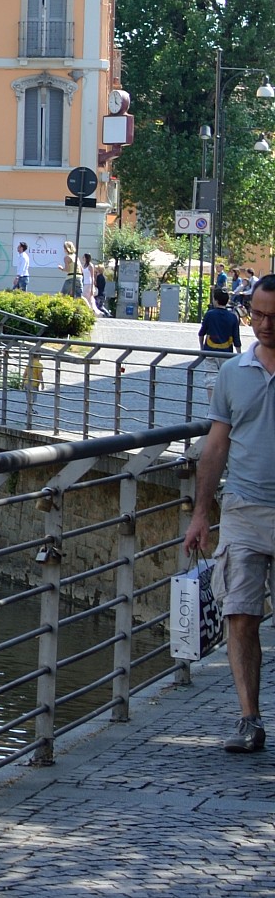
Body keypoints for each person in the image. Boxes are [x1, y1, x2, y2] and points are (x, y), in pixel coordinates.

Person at [183, 275, 275, 753]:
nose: (263, 325)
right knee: (240, 613)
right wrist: (202, 514)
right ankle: (249, 719)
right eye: (256, 314)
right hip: (242, 506)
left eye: (273, 317)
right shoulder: (233, 373)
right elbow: (215, 446)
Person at [204, 287, 243, 356]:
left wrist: (202, 348)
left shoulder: (209, 314)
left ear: (216, 301)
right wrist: (239, 354)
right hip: (226, 353)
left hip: (209, 351)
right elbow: (236, 338)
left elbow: (202, 333)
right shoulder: (233, 317)